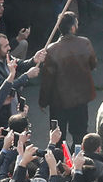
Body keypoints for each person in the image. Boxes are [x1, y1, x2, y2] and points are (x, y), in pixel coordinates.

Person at [39, 12, 96, 147]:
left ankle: (59, 163)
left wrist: (43, 101)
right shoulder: (85, 43)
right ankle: (77, 162)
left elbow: (47, 80)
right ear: (72, 28)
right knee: (79, 135)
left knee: (58, 137)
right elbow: (93, 64)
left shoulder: (52, 50)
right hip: (80, 98)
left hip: (59, 101)